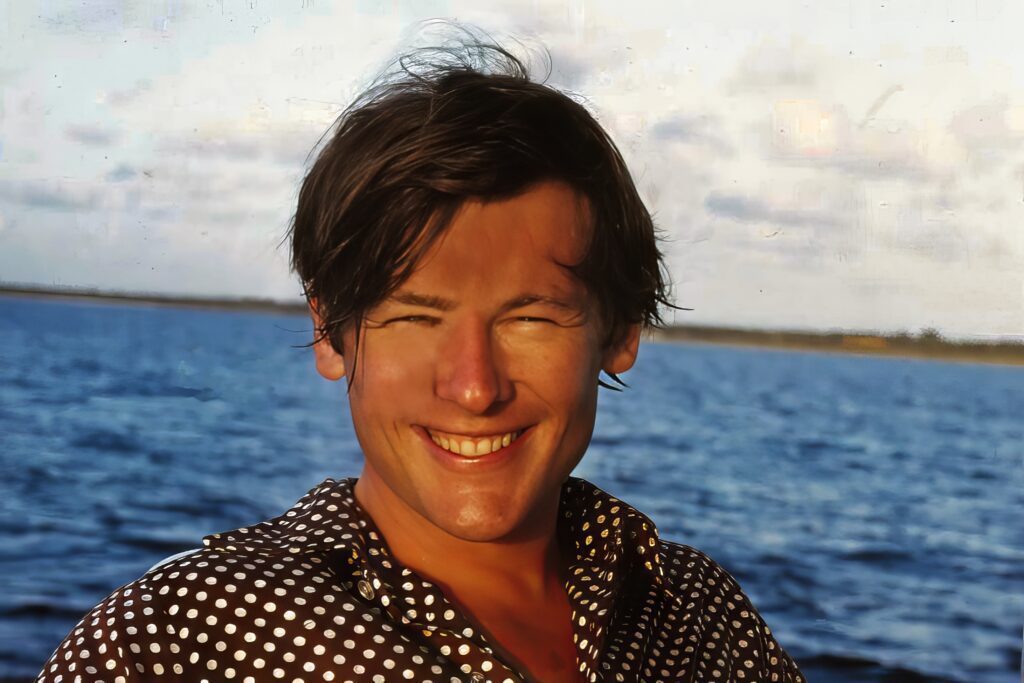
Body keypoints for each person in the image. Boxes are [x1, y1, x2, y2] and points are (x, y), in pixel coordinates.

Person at [37, 36, 804, 683]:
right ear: (330, 334)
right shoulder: (175, 644)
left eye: (529, 317)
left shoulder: (704, 615)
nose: (473, 386)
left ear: (621, 331)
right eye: (412, 316)